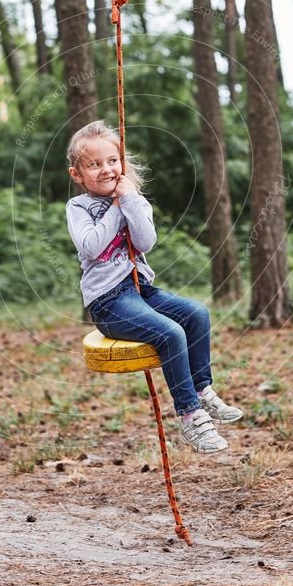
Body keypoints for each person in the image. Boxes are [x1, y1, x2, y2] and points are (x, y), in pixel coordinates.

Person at [66, 120, 243, 454]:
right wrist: (117, 208)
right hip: (109, 302)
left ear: (122, 162)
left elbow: (146, 241)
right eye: (94, 164)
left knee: (196, 314)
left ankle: (203, 390)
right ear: (77, 174)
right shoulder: (78, 208)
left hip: (140, 290)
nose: (106, 169)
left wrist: (130, 200)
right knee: (170, 333)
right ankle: (191, 416)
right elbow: (91, 246)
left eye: (112, 161)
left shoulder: (133, 197)